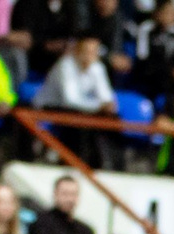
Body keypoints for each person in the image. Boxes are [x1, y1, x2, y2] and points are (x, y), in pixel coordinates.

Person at [35, 32, 120, 169]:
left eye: (94, 51)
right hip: (50, 108)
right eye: (86, 51)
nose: (90, 55)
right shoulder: (65, 65)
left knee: (112, 118)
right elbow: (70, 100)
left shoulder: (97, 67)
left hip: (79, 110)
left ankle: (107, 164)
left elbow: (107, 98)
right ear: (77, 51)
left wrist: (107, 106)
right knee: (78, 123)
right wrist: (100, 106)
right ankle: (69, 162)